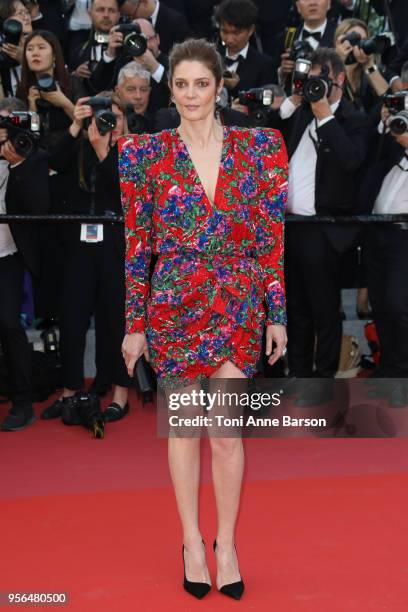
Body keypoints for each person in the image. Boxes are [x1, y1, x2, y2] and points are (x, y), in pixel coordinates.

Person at [119, 38, 287, 599]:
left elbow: (270, 241)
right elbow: (137, 247)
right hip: (175, 302)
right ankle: (191, 539)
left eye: (202, 83)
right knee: (185, 429)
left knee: (227, 434)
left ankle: (227, 542)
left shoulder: (260, 148)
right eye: (182, 84)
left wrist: (276, 313)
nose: (191, 94)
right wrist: (134, 322)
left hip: (239, 302)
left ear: (220, 87)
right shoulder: (144, 154)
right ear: (172, 90)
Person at [274, 47, 371, 404]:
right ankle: (298, 374)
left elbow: (350, 161)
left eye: (320, 80)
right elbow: (272, 132)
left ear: (339, 79)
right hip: (291, 226)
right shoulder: (300, 114)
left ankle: (323, 379)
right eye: (309, 79)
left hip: (323, 227)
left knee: (324, 309)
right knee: (295, 307)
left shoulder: (354, 119)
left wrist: (324, 113)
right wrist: (296, 97)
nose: (314, 86)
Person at [42, 92, 132, 426]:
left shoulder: (134, 150)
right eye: (102, 116)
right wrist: (75, 125)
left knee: (116, 319)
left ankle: (121, 394)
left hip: (116, 244)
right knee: (73, 318)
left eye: (116, 117)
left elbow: (126, 191)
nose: (109, 122)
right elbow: (51, 162)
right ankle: (70, 390)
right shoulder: (78, 145)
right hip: (78, 245)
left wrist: (102, 150)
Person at [0, 96, 50, 431]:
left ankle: (22, 402)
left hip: (8, 256)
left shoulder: (31, 157)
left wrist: (17, 164)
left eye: (11, 125)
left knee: (8, 324)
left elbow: (39, 209)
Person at [359, 103, 408, 406]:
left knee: (397, 304)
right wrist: (388, 123)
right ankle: (389, 369)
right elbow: (371, 151)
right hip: (379, 236)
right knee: (382, 306)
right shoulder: (392, 154)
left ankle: (403, 374)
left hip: (404, 239)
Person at [215, 0, 274, 101]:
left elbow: (267, 102)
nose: (229, 39)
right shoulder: (211, 57)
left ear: (251, 30)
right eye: (224, 31)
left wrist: (237, 87)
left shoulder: (264, 65)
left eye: (236, 33)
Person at [334, 18, 389, 117]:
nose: (360, 45)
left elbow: (390, 102)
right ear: (339, 44)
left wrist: (369, 65)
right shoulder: (327, 69)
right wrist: (339, 62)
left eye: (364, 40)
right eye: (355, 40)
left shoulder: (372, 71)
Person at [120, 0, 192, 56]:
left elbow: (184, 56)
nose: (131, 20)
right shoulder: (130, 23)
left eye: (132, 15)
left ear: (144, 2)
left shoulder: (175, 21)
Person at [0, 0, 33, 98]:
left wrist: (24, 60)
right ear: (5, 21)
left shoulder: (41, 41)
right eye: (20, 13)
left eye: (26, 12)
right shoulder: (3, 47)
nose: (26, 17)